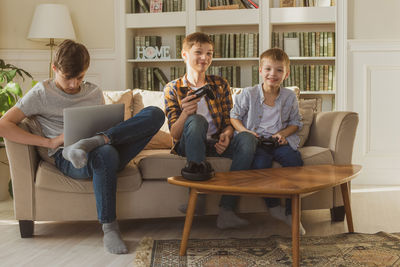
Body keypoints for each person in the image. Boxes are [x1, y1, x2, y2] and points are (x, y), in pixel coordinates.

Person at [0, 40, 165, 253]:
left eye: (80, 77)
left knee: (155, 113)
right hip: (68, 157)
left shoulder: (94, 92)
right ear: (54, 68)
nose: (74, 84)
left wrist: (106, 135)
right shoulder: (41, 93)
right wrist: (49, 142)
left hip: (106, 146)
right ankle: (110, 228)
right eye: (68, 78)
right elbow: (4, 124)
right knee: (104, 153)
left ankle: (95, 141)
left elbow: (107, 125)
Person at [164, 32, 258, 230]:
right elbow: (174, 134)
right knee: (196, 120)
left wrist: (227, 134)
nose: (204, 58)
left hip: (215, 143)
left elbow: (229, 119)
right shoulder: (173, 88)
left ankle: (227, 210)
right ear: (184, 55)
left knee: (249, 139)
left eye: (209, 53)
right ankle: (197, 196)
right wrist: (185, 114)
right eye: (198, 52)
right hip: (188, 143)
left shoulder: (220, 84)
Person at [230, 47, 306, 235]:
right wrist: (246, 132)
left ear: (286, 74)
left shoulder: (289, 97)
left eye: (279, 70)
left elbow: (296, 123)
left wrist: (283, 134)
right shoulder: (248, 94)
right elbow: (234, 117)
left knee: (295, 161)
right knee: (260, 166)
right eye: (268, 69)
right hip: (257, 142)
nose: (273, 74)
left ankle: (292, 213)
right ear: (260, 70)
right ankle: (274, 207)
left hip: (278, 141)